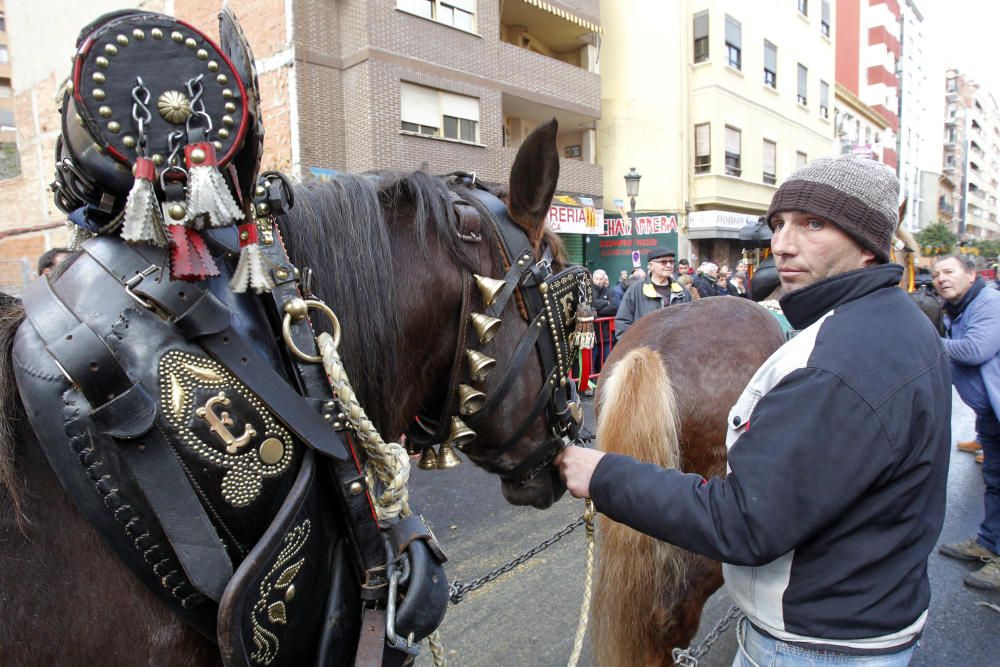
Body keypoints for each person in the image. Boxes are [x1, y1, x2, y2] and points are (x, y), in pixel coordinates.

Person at [557, 154, 950, 665]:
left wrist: (606, 474)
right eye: (779, 224)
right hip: (865, 612)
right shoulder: (896, 324)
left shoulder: (837, 362)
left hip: (814, 645)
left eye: (814, 224)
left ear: (869, 245)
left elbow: (745, 522)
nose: (783, 244)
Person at [933, 254, 1000, 589]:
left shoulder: (989, 303)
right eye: (936, 274)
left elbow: (976, 350)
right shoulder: (958, 308)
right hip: (989, 411)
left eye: (949, 271)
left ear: (971, 275)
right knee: (995, 480)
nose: (941, 278)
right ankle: (989, 544)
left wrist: (926, 341)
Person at [614, 247, 691, 338]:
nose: (669, 265)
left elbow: (690, 322)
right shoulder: (635, 290)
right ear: (651, 266)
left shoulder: (682, 290)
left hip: (676, 349)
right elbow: (622, 323)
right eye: (663, 262)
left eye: (671, 261)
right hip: (644, 349)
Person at [590, 269, 619, 374]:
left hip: (606, 334)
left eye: (601, 279)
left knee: (607, 360)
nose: (598, 281)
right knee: (591, 361)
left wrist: (597, 311)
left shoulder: (610, 291)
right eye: (596, 278)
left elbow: (614, 307)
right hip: (592, 334)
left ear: (604, 279)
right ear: (592, 279)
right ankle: (591, 385)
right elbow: (591, 304)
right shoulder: (589, 291)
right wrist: (606, 302)